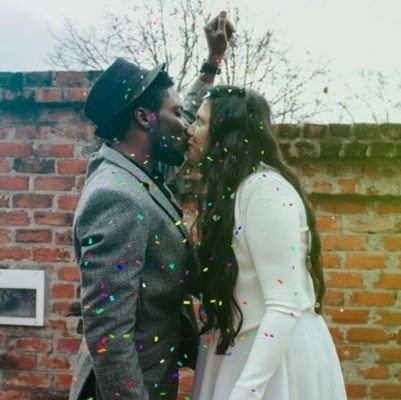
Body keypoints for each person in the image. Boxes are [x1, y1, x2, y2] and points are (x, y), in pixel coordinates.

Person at [68, 12, 235, 400]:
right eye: (176, 115)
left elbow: (184, 115)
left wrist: (212, 63)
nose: (188, 126)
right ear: (143, 118)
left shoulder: (138, 169)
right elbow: (108, 331)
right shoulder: (117, 196)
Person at [186, 86, 347, 400]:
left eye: (201, 122)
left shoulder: (266, 192)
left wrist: (245, 392)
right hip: (239, 348)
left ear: (225, 134)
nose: (190, 130)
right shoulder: (231, 192)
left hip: (272, 362)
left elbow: (284, 304)